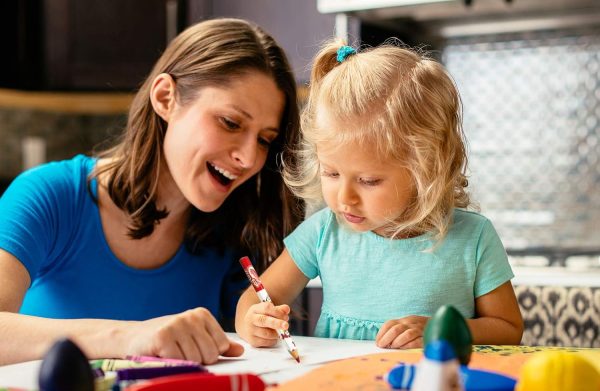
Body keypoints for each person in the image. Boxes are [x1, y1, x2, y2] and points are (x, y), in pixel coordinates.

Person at [0, 18, 303, 365]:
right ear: (165, 98)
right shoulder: (48, 196)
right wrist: (131, 336)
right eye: (230, 123)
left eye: (264, 139)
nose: (249, 158)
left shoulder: (233, 233)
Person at [236, 40, 524, 350]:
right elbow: (256, 296)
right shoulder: (323, 233)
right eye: (331, 173)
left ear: (426, 169)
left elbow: (507, 328)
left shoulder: (474, 238)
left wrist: (441, 330)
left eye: (369, 180)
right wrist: (254, 321)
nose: (345, 197)